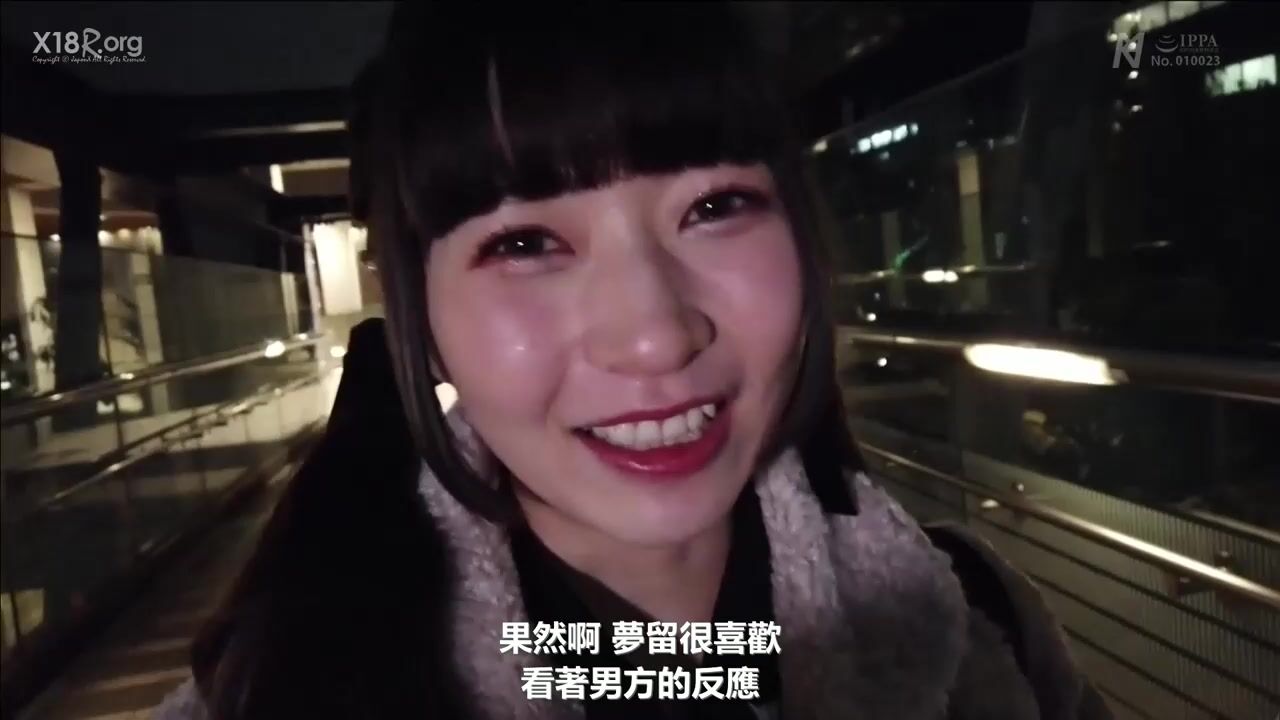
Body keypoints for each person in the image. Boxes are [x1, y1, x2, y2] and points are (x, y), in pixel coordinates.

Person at [155, 3, 1110, 719]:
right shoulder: (274, 689)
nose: (655, 335)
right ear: (422, 318)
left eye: (715, 207)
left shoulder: (984, 629)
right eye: (525, 242)